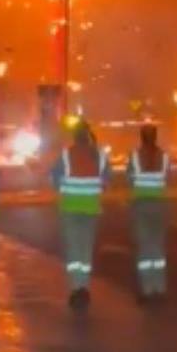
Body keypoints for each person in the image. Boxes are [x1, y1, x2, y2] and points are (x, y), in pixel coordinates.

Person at [51, 120, 110, 309]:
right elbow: (107, 179)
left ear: (74, 137)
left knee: (74, 250)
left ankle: (75, 288)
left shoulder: (67, 155)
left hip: (70, 207)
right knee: (85, 249)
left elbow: (53, 177)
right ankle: (84, 287)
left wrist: (63, 187)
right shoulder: (99, 155)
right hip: (91, 207)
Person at [127, 123, 169, 302]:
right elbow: (167, 176)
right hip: (159, 204)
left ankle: (147, 289)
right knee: (158, 246)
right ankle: (160, 288)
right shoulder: (164, 156)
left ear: (142, 137)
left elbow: (129, 177)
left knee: (145, 247)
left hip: (142, 204)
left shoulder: (135, 157)